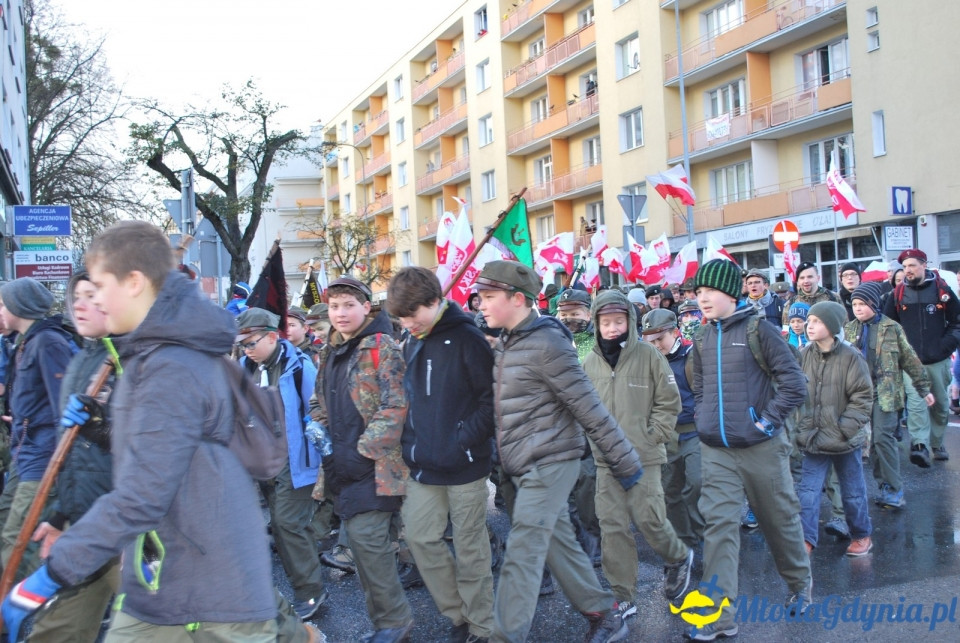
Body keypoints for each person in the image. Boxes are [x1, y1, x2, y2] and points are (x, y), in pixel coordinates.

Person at [1, 221, 284, 640]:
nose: (92, 299)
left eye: (99, 285)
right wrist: (102, 428)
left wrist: (44, 581)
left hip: (205, 589)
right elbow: (165, 452)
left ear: (134, 282)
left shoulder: (168, 364)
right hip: (165, 576)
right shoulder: (157, 352)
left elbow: (143, 493)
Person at [475, 260, 642, 643]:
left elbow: (589, 407)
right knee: (557, 541)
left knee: (524, 548)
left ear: (517, 299)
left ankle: (505, 635)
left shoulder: (548, 343)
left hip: (551, 461)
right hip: (522, 462)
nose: (480, 304)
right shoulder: (508, 341)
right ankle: (603, 611)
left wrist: (625, 462)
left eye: (488, 297)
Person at [688, 259, 811, 641]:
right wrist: (706, 419)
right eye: (698, 292)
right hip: (716, 450)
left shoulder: (762, 330)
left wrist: (765, 423)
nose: (702, 298)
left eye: (709, 291)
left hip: (761, 447)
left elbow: (795, 385)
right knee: (719, 529)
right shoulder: (701, 336)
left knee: (779, 521)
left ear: (730, 293)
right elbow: (700, 385)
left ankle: (799, 584)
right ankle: (719, 616)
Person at [386, 267, 495, 643]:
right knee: (418, 538)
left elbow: (490, 400)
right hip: (422, 465)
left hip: (466, 465)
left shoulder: (468, 338)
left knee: (471, 550)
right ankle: (458, 614)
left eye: (412, 315)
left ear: (434, 302)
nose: (406, 324)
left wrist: (463, 440)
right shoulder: (413, 339)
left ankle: (482, 627)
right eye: (400, 318)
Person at [309, 276, 414, 642]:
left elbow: (397, 404)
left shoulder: (381, 346)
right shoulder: (331, 348)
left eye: (348, 305)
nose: (340, 313)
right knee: (361, 545)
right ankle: (385, 624)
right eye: (334, 306)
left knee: (368, 543)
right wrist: (319, 428)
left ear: (366, 307)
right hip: (341, 466)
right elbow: (318, 400)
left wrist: (363, 450)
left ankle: (395, 623)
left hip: (377, 466)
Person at [582, 299, 690, 621]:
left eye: (619, 321)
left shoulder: (649, 355)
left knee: (650, 520)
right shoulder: (589, 363)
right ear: (597, 325)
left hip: (644, 456)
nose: (612, 328)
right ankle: (622, 595)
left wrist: (653, 434)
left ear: (629, 320)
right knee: (612, 527)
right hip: (607, 461)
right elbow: (583, 408)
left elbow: (670, 401)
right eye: (606, 322)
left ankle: (678, 557)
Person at [27, 272, 120, 642]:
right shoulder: (82, 360)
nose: (80, 304)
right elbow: (72, 456)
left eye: (91, 295)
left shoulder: (136, 358)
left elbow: (150, 448)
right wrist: (60, 515)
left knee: (187, 622)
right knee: (57, 631)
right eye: (76, 296)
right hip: (84, 523)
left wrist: (101, 425)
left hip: (130, 529)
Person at [236, 307, 326, 621]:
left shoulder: (298, 366)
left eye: (251, 342)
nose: (246, 349)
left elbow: (316, 408)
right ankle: (301, 587)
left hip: (294, 460)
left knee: (290, 523)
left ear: (272, 337)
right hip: (262, 462)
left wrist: (321, 453)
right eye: (242, 344)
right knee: (279, 526)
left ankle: (311, 592)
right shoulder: (243, 368)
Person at [0, 278, 76, 577]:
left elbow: (63, 406)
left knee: (19, 537)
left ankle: (16, 613)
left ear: (19, 307)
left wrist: (62, 466)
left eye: (3, 305)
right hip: (25, 452)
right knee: (8, 523)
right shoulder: (25, 342)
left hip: (41, 458)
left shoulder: (47, 342)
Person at [795, 302, 874, 557]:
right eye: (809, 321)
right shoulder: (804, 354)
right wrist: (802, 427)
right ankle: (806, 539)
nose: (810, 326)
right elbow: (793, 393)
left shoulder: (851, 357)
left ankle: (861, 535)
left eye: (816, 321)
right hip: (813, 438)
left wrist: (845, 430)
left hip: (844, 439)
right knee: (807, 493)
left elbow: (862, 397)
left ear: (831, 326)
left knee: (852, 493)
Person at [844, 282, 933, 509]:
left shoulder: (891, 327)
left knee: (884, 438)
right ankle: (883, 484)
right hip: (858, 393)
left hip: (886, 393)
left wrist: (923, 388)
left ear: (874, 303)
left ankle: (894, 489)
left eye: (862, 304)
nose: (858, 308)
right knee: (871, 443)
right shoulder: (849, 329)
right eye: (854, 304)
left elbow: (910, 359)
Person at [883, 248, 960, 466]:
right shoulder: (897, 294)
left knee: (940, 405)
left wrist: (945, 346)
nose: (907, 270)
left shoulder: (942, 290)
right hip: (910, 362)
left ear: (924, 265)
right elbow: (889, 326)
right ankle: (920, 446)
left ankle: (937, 443)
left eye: (912, 266)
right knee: (916, 404)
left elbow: (957, 322)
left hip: (938, 359)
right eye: (905, 266)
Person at [645, 307, 703, 550]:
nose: (657, 345)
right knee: (670, 492)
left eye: (661, 339)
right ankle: (685, 542)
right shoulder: (648, 361)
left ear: (675, 332)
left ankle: (705, 535)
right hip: (665, 435)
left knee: (697, 484)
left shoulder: (693, 355)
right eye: (651, 341)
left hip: (695, 432)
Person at [782, 262, 840, 326]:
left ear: (818, 278)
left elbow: (843, 326)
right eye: (802, 278)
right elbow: (786, 331)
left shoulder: (833, 298)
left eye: (810, 277)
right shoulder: (791, 304)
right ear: (797, 281)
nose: (806, 281)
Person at [556, 289, 595, 362]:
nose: (568, 319)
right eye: (563, 315)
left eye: (574, 314)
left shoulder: (599, 341)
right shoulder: (555, 339)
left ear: (588, 315)